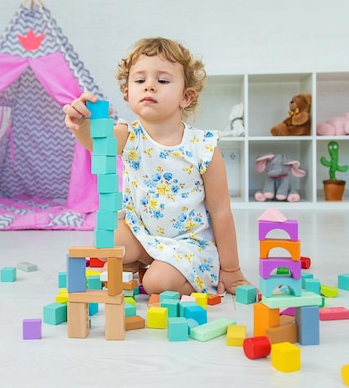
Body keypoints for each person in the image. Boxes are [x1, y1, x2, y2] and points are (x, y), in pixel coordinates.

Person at [63, 37, 253, 296]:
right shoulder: (129, 135)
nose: (149, 86)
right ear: (128, 93)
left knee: (156, 284)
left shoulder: (203, 147)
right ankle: (147, 260)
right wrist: (82, 125)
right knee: (108, 239)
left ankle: (184, 275)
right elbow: (99, 144)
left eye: (162, 81)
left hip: (188, 243)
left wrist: (231, 270)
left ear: (186, 97)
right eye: (140, 81)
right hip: (143, 233)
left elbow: (221, 212)